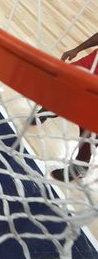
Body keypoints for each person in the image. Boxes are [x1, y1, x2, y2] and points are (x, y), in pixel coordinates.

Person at [38, 32, 97, 181]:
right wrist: (77, 49)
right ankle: (52, 108)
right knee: (61, 80)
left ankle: (80, 166)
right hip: (94, 61)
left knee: (90, 123)